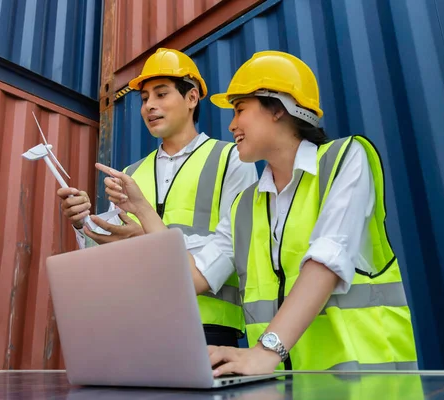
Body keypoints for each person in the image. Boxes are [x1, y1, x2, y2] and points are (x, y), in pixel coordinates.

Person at [95, 50, 418, 376]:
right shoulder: (244, 207)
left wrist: (265, 351)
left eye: (240, 110)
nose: (232, 124)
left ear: (278, 108)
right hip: (289, 385)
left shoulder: (344, 160)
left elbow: (327, 260)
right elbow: (192, 277)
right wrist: (142, 210)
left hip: (368, 382)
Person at [57, 48, 259, 348]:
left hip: (209, 328)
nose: (149, 106)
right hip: (140, 324)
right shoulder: (130, 173)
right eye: (144, 98)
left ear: (192, 98)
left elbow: (232, 245)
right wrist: (84, 222)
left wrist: (146, 239)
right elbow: (113, 254)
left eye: (161, 94)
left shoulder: (232, 159)